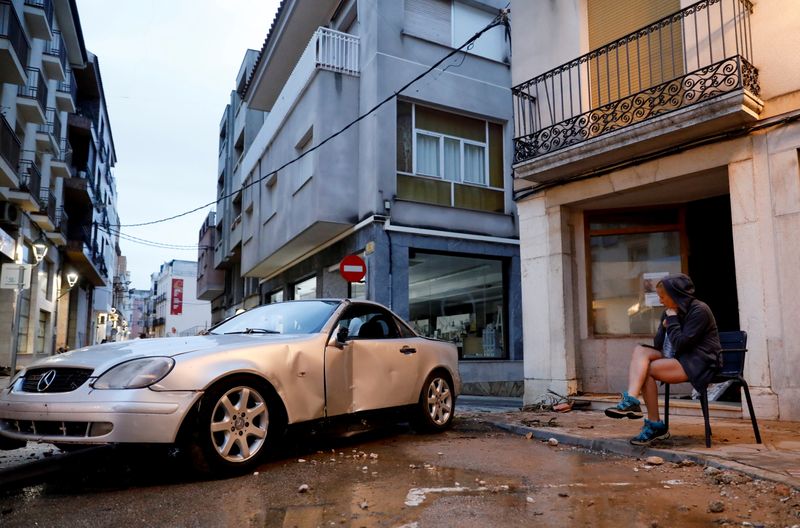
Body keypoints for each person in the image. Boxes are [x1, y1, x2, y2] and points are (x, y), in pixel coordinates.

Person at [604, 273, 722, 445]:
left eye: (663, 296)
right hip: (679, 356)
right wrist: (664, 325)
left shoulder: (699, 310)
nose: (660, 301)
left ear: (676, 295)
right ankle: (631, 399)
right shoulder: (670, 312)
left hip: (700, 361)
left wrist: (673, 320)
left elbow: (682, 344)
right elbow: (658, 344)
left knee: (648, 370)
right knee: (640, 351)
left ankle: (654, 425)